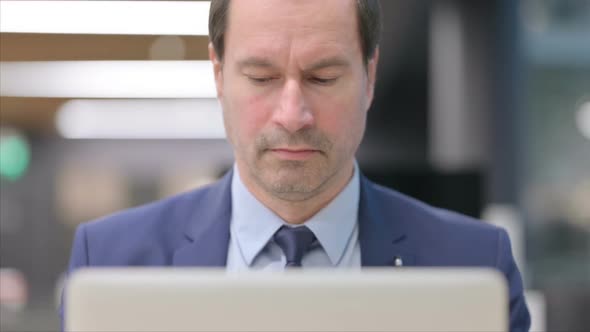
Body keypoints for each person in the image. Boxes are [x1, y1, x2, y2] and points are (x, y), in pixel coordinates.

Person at [63, 0, 530, 330]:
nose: (292, 114)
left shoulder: (474, 265)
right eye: (262, 77)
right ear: (219, 74)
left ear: (369, 76)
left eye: (322, 77)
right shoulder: (110, 260)